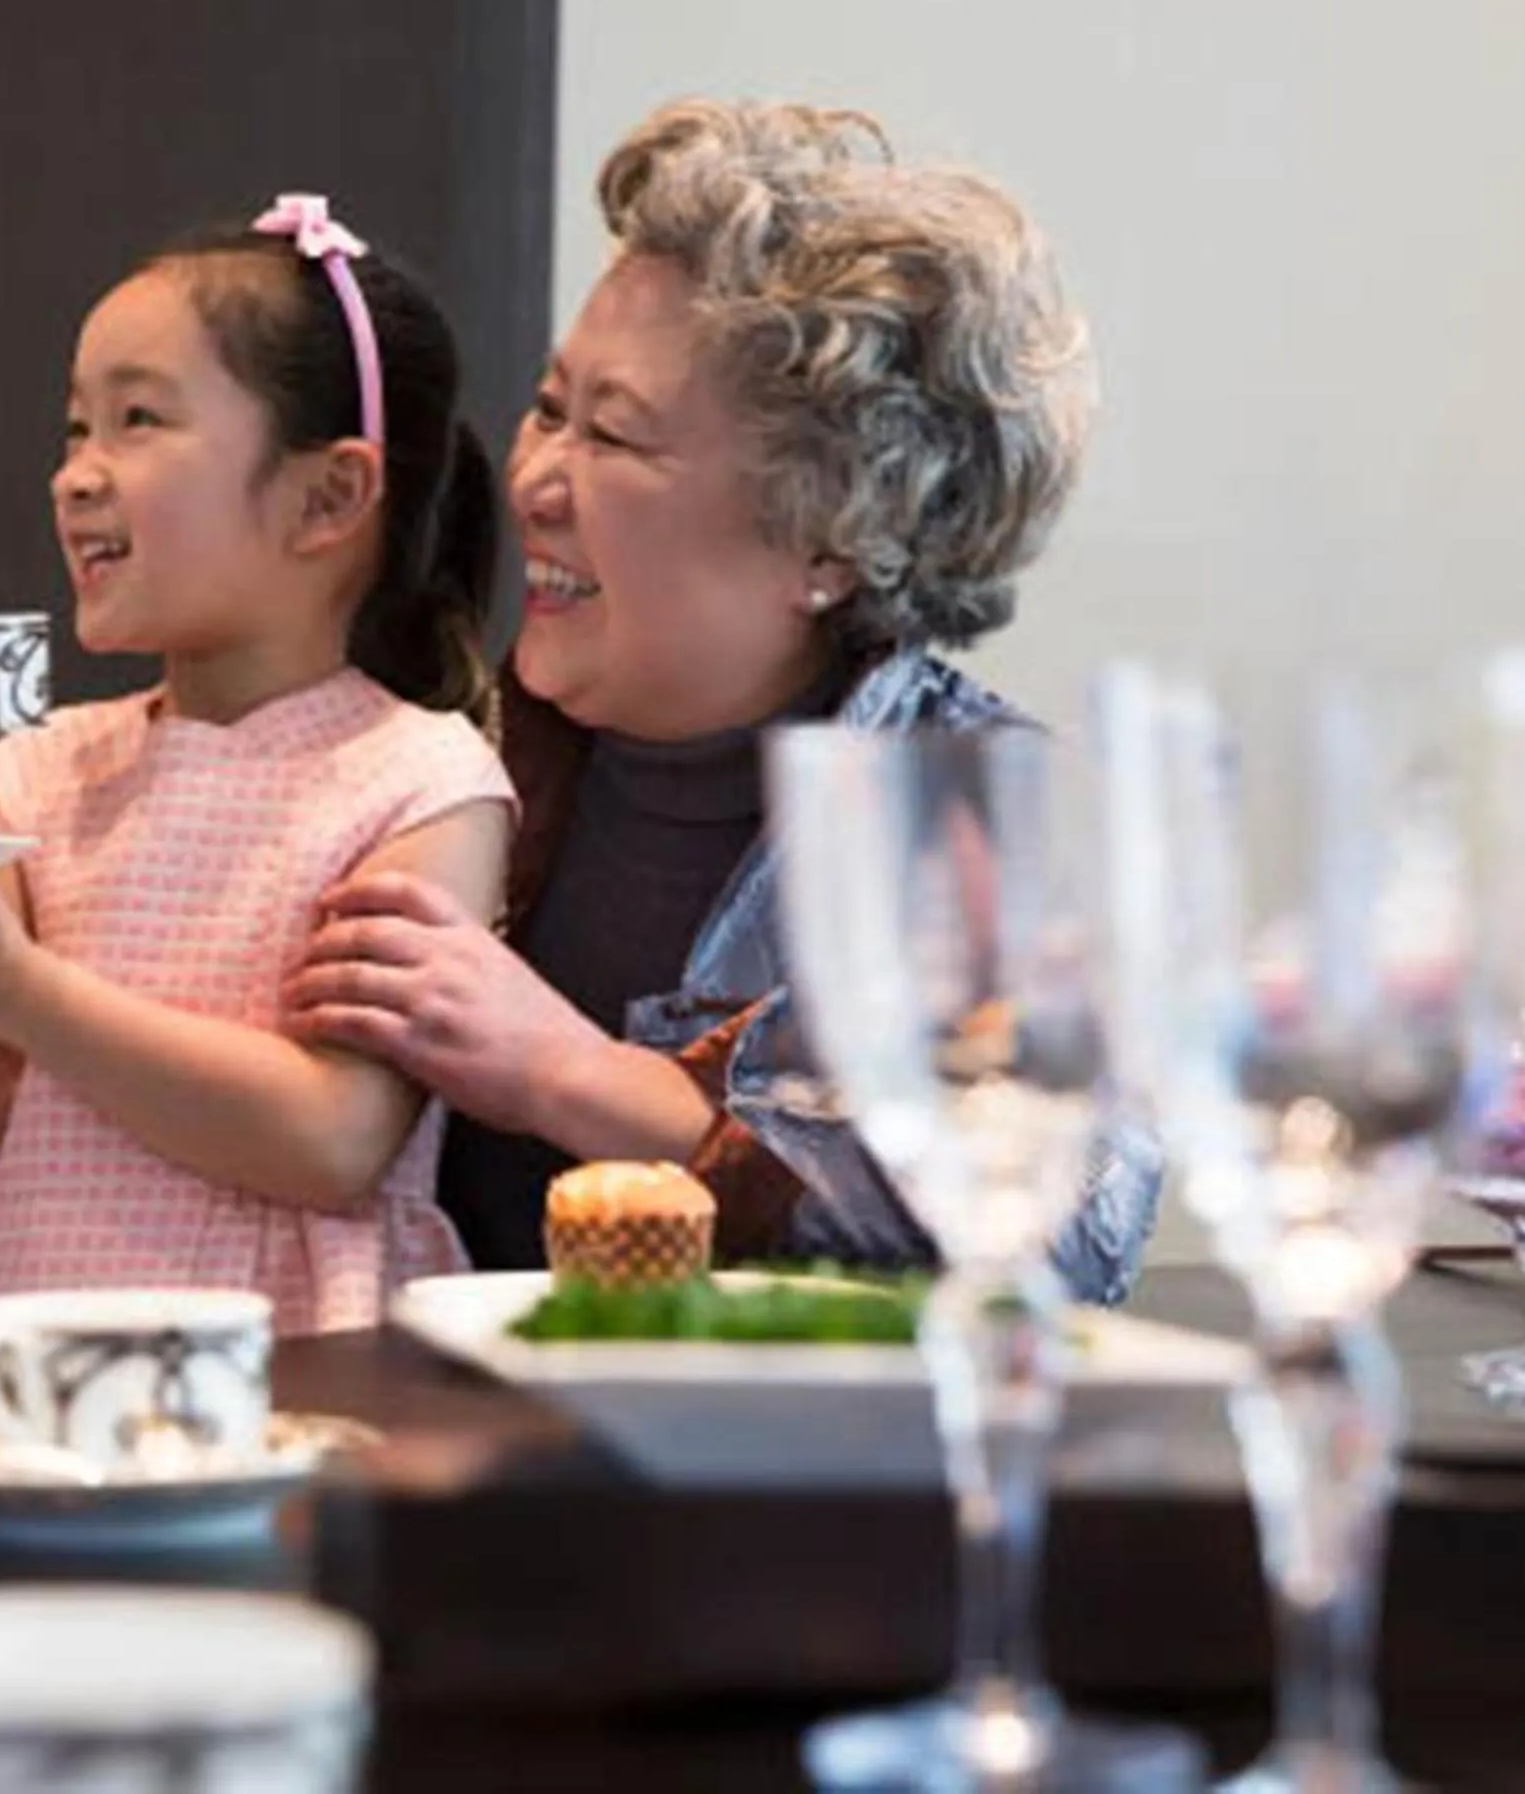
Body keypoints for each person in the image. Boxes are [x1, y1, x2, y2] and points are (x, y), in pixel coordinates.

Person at [286, 101, 1162, 1299]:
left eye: (615, 436)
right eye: (550, 408)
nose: (535, 481)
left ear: (826, 539)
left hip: (793, 1485)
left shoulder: (973, 809)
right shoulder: (430, 755)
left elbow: (1064, 1235)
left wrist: (569, 1074)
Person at [0, 196, 515, 1427]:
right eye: (74, 426)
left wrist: (15, 987)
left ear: (328, 498)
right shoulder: (40, 770)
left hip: (286, 1376)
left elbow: (333, 1137)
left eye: (139, 419)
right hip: (23, 1335)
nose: (76, 473)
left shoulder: (420, 779)